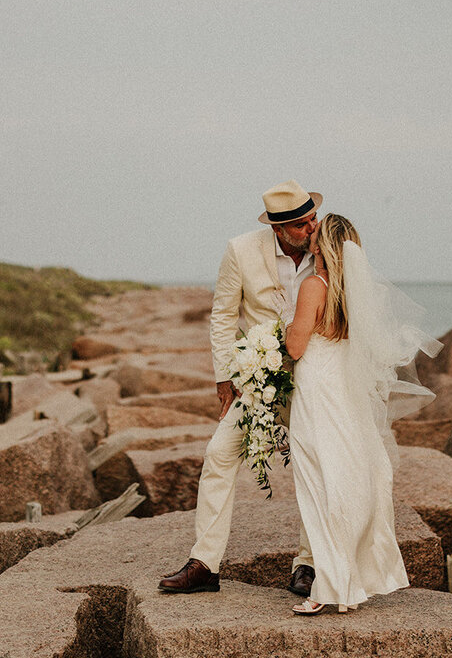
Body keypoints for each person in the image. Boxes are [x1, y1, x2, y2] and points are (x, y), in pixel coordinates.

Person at [158, 180, 322, 596]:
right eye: (302, 225)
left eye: (313, 218)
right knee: (218, 455)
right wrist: (224, 375)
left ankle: (309, 565)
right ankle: (205, 565)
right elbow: (223, 315)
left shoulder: (329, 253)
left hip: (316, 380)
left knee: (313, 464)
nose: (312, 228)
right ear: (278, 229)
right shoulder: (241, 250)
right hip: (259, 378)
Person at [283, 213, 440, 615]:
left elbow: (296, 347)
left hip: (318, 390)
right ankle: (348, 577)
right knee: (351, 475)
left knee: (319, 480)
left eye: (315, 232)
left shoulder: (313, 286)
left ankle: (331, 583)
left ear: (322, 245)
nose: (309, 234)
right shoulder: (356, 292)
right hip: (346, 393)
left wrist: (271, 342)